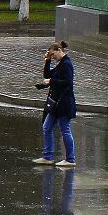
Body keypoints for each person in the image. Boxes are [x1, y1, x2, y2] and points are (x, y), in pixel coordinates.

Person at [34, 40, 77, 168]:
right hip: (55, 104)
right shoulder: (60, 64)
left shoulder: (67, 64)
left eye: (53, 55)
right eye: (51, 56)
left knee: (65, 130)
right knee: (47, 127)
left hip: (63, 103)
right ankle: (48, 157)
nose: (53, 57)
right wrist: (47, 61)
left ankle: (70, 159)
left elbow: (68, 82)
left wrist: (51, 81)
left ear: (59, 50)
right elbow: (47, 74)